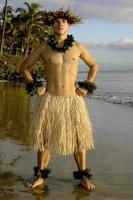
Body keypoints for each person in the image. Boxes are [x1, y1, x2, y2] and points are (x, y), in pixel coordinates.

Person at [19, 8, 99, 191]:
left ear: (69, 25)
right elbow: (24, 67)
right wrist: (34, 85)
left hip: (72, 100)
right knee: (44, 139)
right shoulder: (43, 47)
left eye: (64, 21)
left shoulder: (78, 47)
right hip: (49, 100)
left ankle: (83, 177)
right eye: (57, 21)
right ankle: (40, 176)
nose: (60, 23)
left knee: (79, 140)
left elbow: (94, 65)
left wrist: (86, 85)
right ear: (52, 25)